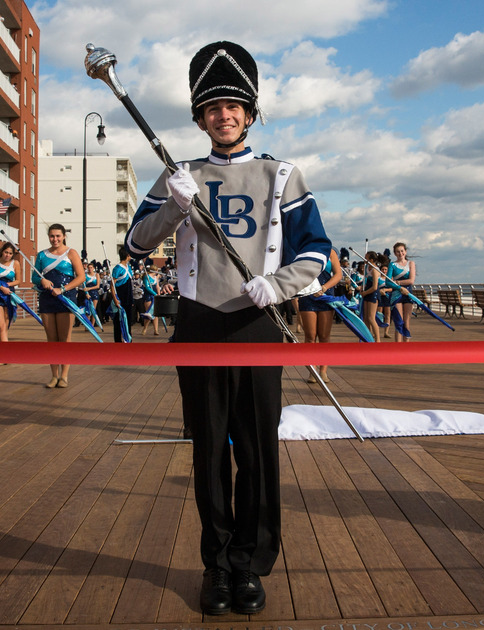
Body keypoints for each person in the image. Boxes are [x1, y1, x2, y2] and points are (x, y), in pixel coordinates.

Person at [124, 41, 330, 616]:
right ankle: (216, 565)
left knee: (259, 450)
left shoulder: (282, 174)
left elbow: (317, 251)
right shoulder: (178, 173)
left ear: (251, 112)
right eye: (213, 107)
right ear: (199, 118)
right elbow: (135, 245)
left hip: (258, 321)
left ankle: (251, 563)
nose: (224, 115)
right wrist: (171, 207)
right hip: (199, 322)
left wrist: (282, 284)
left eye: (234, 106)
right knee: (209, 450)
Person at [33, 224, 85, 388]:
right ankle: (54, 376)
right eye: (52, 236)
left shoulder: (71, 253)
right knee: (51, 339)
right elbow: (34, 277)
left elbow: (81, 277)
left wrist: (62, 289)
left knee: (64, 338)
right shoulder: (41, 255)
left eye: (58, 236)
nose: (55, 239)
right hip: (47, 298)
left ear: (63, 236)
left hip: (66, 299)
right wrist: (42, 280)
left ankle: (64, 376)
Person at [297, 247, 342, 382]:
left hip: (325, 295)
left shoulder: (331, 252)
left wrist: (324, 288)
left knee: (324, 336)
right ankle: (312, 370)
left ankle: (323, 371)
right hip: (307, 295)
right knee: (310, 336)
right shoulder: (303, 249)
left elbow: (338, 275)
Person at [389, 242, 416, 341]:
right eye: (398, 252)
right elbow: (388, 282)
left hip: (408, 294)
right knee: (398, 322)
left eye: (402, 251)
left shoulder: (411, 264)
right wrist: (399, 286)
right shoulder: (392, 264)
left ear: (405, 251)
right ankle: (398, 348)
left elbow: (411, 280)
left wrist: (397, 282)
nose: (400, 253)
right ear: (395, 253)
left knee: (406, 322)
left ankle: (406, 348)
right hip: (396, 294)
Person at [360, 253, 387, 344]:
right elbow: (365, 280)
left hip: (373, 293)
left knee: (371, 318)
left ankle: (378, 339)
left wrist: (365, 293)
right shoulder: (367, 268)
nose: (364, 259)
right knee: (366, 318)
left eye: (366, 258)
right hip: (367, 292)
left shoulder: (375, 270)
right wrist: (361, 289)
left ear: (371, 260)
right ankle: (369, 337)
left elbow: (375, 287)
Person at [110, 247, 135, 343]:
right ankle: (117, 341)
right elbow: (112, 285)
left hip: (128, 298)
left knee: (128, 321)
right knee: (118, 321)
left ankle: (128, 340)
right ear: (127, 256)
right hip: (120, 297)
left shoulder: (129, 267)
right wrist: (115, 299)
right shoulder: (117, 268)